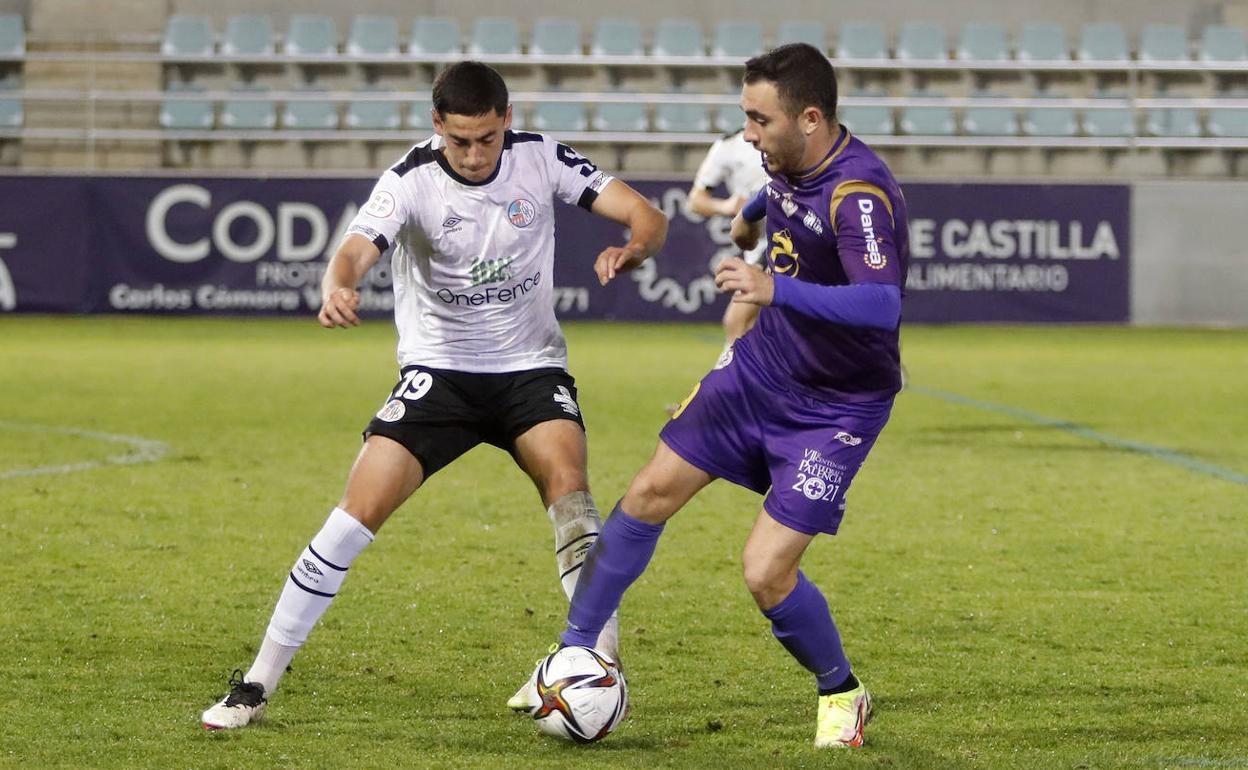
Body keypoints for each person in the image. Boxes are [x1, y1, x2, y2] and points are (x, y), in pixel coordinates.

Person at [201, 61, 668, 730]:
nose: (475, 156)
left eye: (486, 139)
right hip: (439, 373)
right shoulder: (412, 177)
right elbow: (355, 249)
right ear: (436, 128)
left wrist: (634, 250)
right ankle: (256, 682)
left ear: (506, 120)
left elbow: (645, 214)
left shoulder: (541, 158)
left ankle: (594, 665)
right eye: (460, 141)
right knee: (357, 510)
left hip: (530, 371)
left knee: (570, 485)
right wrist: (339, 285)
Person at [537, 43, 908, 749]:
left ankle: (842, 692)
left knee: (766, 572)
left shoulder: (859, 194)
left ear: (809, 118)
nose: (748, 134)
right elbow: (773, 195)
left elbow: (881, 304)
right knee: (647, 492)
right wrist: (749, 221)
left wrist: (774, 287)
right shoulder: (784, 161)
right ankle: (574, 651)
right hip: (759, 372)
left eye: (758, 119)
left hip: (837, 407)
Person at [687, 128, 769, 348]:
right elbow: (695, 200)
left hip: (784, 242)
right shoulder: (728, 146)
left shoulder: (787, 137)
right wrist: (728, 205)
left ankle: (726, 378)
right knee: (745, 325)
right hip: (756, 246)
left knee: (737, 321)